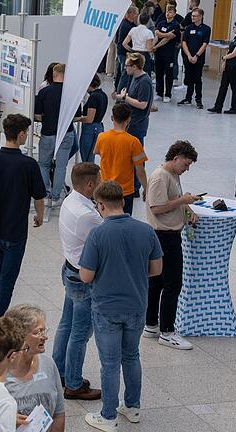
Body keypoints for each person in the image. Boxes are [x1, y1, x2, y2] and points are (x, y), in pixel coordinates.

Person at [79, 181, 163, 431]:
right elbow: (157, 269)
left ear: (101, 204)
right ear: (124, 202)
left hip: (106, 308)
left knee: (110, 363)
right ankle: (133, 407)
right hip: (137, 305)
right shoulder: (146, 230)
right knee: (132, 356)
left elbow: (85, 276)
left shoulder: (98, 234)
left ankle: (107, 416)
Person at [0, 114, 46, 317]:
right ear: (21, 134)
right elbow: (39, 197)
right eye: (26, 133)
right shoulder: (28, 165)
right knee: (7, 280)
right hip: (15, 233)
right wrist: (39, 215)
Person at [52, 163, 103, 401]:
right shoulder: (89, 215)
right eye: (99, 181)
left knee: (66, 325)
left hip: (70, 269)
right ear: (90, 184)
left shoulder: (70, 201)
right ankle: (73, 383)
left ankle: (59, 372)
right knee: (80, 333)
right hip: (83, 279)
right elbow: (106, 241)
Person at [145, 141, 200, 350]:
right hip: (164, 236)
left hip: (166, 233)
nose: (186, 169)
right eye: (185, 164)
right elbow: (157, 207)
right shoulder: (160, 176)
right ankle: (167, 331)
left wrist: (187, 208)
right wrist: (182, 201)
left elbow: (175, 198)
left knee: (157, 281)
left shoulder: (173, 175)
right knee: (173, 283)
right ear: (175, 158)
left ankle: (151, 324)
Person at [4, 305, 66, 432]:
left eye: (44, 331)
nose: (44, 337)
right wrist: (5, 421)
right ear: (19, 336)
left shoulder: (48, 364)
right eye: (38, 332)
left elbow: (58, 414)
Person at [35, 63, 81, 206]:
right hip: (66, 133)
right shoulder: (72, 93)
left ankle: (44, 194)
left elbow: (37, 116)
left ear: (54, 74)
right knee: (61, 166)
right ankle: (56, 198)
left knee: (43, 164)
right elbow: (77, 117)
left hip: (48, 132)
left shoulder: (44, 92)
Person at [94, 104, 148, 215]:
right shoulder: (133, 142)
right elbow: (140, 170)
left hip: (105, 187)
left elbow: (97, 152)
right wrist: (146, 188)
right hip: (124, 191)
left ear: (112, 118)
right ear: (129, 120)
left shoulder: (102, 137)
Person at [208, 21, 236, 115]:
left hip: (235, 64)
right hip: (229, 63)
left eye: (234, 27)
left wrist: (224, 58)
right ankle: (218, 107)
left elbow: (235, 53)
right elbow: (229, 50)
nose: (233, 29)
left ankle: (235, 108)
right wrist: (225, 62)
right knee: (223, 86)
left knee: (234, 86)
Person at [180, 8, 210, 109]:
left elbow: (205, 44)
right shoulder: (188, 28)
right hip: (188, 57)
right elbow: (184, 42)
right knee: (189, 78)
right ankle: (188, 98)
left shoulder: (206, 29)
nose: (192, 17)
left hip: (199, 58)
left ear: (201, 17)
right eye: (192, 16)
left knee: (197, 78)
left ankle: (198, 100)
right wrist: (188, 55)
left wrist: (196, 56)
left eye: (195, 16)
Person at [154, 6, 181, 104]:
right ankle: (159, 93)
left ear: (174, 13)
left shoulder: (176, 25)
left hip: (169, 53)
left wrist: (162, 34)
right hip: (159, 53)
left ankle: (168, 94)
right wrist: (154, 46)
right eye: (167, 12)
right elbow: (157, 35)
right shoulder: (161, 23)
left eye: (170, 12)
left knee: (168, 75)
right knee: (159, 73)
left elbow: (169, 37)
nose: (167, 13)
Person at [78, 74, 108, 163]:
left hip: (90, 130)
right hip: (98, 127)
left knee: (87, 159)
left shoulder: (93, 97)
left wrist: (77, 119)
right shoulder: (103, 95)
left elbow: (89, 119)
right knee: (91, 157)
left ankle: (88, 176)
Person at [114, 6, 139, 92]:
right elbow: (123, 42)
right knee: (124, 75)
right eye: (136, 13)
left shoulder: (125, 23)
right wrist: (132, 51)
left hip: (121, 52)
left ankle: (117, 90)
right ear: (131, 14)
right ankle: (120, 94)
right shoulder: (127, 26)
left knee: (120, 74)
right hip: (124, 53)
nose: (137, 15)